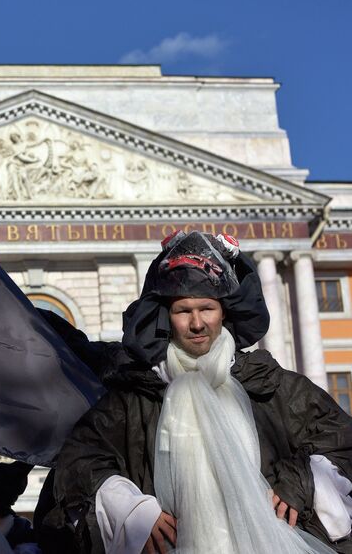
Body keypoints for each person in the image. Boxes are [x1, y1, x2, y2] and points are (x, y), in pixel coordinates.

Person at [40, 231, 352, 554]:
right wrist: (130, 509)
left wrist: (302, 479)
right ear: (166, 317)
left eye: (207, 308)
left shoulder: (268, 385)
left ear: (224, 312)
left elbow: (339, 438)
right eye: (183, 310)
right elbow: (78, 461)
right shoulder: (136, 397)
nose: (197, 323)